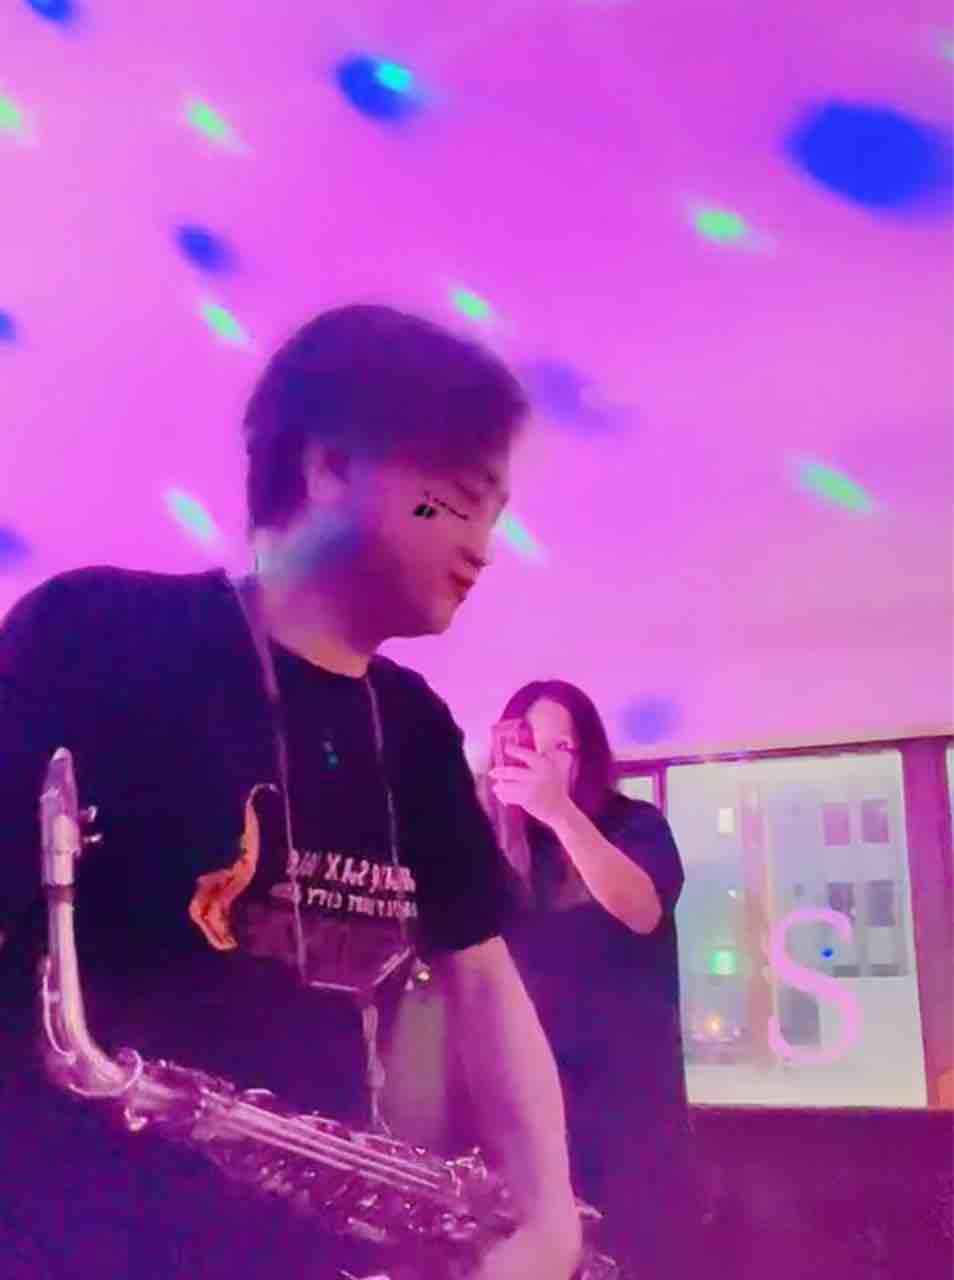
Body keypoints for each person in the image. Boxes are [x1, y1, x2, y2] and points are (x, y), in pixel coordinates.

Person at [0, 305, 582, 1280]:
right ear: (331, 465)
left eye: (495, 513)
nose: (484, 545)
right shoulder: (96, 633)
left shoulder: (416, 726)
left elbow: (483, 976)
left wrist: (549, 1216)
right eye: (455, 501)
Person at [484, 680, 702, 1279]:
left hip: (630, 1118)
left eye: (561, 747)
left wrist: (560, 813)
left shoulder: (634, 824)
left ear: (587, 756)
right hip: (527, 1123)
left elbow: (641, 908)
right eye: (529, 745)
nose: (545, 762)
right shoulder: (496, 849)